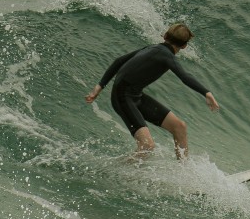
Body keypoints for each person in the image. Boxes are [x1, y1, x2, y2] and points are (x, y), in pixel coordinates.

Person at [85, 23, 219, 160]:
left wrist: (99, 87)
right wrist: (206, 93)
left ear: (165, 36)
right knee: (147, 146)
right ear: (184, 46)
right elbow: (185, 77)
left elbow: (119, 61)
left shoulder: (153, 48)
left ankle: (185, 172)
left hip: (135, 95)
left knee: (180, 127)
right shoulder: (167, 56)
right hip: (123, 97)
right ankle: (117, 173)